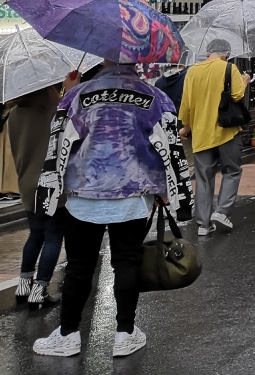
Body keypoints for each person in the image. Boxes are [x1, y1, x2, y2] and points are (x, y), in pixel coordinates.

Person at [32, 64, 192, 358]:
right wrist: (166, 190)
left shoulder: (77, 95)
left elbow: (57, 147)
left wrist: (50, 193)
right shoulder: (155, 97)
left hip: (83, 195)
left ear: (103, 61)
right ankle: (125, 333)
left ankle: (68, 334)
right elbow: (168, 148)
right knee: (127, 262)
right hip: (132, 195)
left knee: (80, 266)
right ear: (137, 61)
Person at [178, 39, 250, 237]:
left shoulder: (192, 71)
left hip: (200, 134)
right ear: (225, 52)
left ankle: (203, 224)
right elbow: (236, 95)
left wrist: (185, 127)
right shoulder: (229, 68)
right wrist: (244, 82)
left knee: (203, 178)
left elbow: (186, 104)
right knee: (232, 171)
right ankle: (221, 212)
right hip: (226, 131)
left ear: (208, 52)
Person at [8, 83, 65, 311]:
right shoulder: (57, 111)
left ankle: (23, 284)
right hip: (53, 182)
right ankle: (39, 290)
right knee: (53, 236)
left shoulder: (14, 114)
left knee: (35, 234)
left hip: (27, 182)